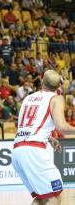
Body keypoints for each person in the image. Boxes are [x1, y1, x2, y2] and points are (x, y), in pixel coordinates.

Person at [12, 70, 75, 205]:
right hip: (34, 152)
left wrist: (49, 138)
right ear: (59, 86)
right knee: (54, 197)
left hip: (18, 151)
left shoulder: (28, 98)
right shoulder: (56, 98)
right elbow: (62, 127)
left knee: (42, 198)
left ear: (41, 81)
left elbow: (28, 125)